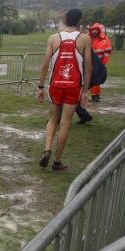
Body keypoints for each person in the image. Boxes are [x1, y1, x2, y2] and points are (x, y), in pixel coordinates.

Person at [37, 9, 92, 171]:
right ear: (79, 21)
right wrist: (85, 91)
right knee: (65, 123)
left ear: (65, 20)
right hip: (73, 86)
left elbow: (45, 65)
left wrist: (40, 87)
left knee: (53, 119)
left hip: (55, 85)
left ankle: (47, 148)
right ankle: (57, 161)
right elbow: (88, 67)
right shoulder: (84, 39)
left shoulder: (53, 38)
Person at [88, 22, 112, 102]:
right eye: (93, 30)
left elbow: (107, 51)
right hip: (88, 62)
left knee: (96, 79)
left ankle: (95, 95)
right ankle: (93, 95)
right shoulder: (87, 38)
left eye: (96, 30)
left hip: (99, 63)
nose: (94, 31)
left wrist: (103, 62)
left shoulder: (105, 40)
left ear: (99, 30)